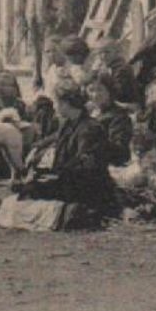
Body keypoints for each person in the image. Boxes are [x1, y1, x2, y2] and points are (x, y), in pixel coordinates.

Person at [16, 81, 119, 221]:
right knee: (25, 189)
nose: (56, 107)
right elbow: (55, 143)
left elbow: (86, 164)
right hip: (70, 178)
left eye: (57, 103)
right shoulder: (69, 124)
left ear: (66, 103)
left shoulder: (89, 128)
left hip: (86, 185)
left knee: (30, 191)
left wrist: (57, 175)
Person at [24, 0, 59, 86]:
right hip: (42, 17)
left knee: (38, 47)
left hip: (36, 16)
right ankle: (41, 74)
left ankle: (39, 75)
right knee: (43, 47)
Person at [87, 74, 134, 166]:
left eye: (100, 89)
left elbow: (120, 151)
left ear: (109, 91)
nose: (95, 95)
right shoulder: (91, 113)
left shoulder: (119, 117)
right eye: (91, 90)